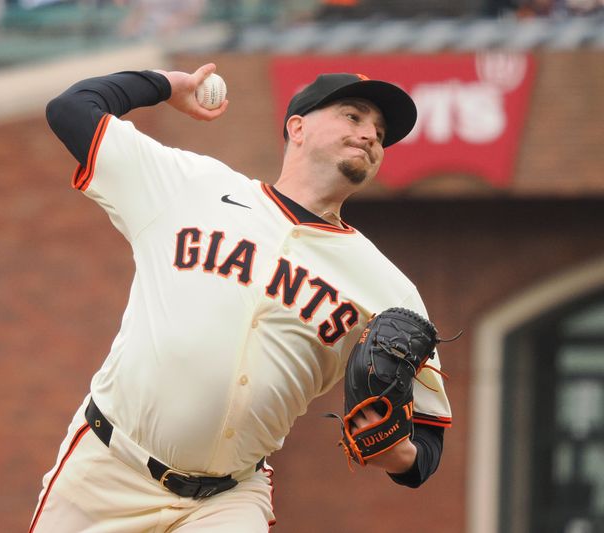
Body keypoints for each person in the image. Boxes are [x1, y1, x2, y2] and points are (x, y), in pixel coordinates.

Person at [31, 63, 451, 532]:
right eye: (354, 117)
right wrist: (167, 85)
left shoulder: (389, 288)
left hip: (226, 502)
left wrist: (400, 453)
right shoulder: (190, 186)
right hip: (106, 471)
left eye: (380, 131)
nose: (371, 134)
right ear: (298, 126)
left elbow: (429, 440)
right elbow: (71, 109)